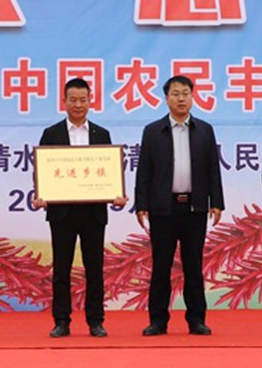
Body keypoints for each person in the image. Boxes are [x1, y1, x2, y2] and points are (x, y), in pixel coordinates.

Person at [32, 78, 126, 338]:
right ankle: (61, 320)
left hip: (93, 212)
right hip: (61, 213)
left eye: (83, 100)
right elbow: (41, 170)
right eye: (72, 100)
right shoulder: (51, 134)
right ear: (64, 101)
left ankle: (95, 320)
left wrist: (116, 194)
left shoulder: (101, 134)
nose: (78, 105)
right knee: (61, 269)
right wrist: (41, 194)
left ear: (90, 101)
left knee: (94, 269)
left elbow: (109, 171)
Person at [135, 75, 225, 336]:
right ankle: (158, 320)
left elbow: (213, 168)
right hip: (163, 208)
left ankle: (196, 319)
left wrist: (216, 202)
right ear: (166, 99)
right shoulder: (153, 131)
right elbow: (144, 171)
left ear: (192, 97)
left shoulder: (204, 130)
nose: (181, 98)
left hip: (194, 208)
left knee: (193, 266)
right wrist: (141, 204)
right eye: (175, 94)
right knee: (161, 266)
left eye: (186, 93)